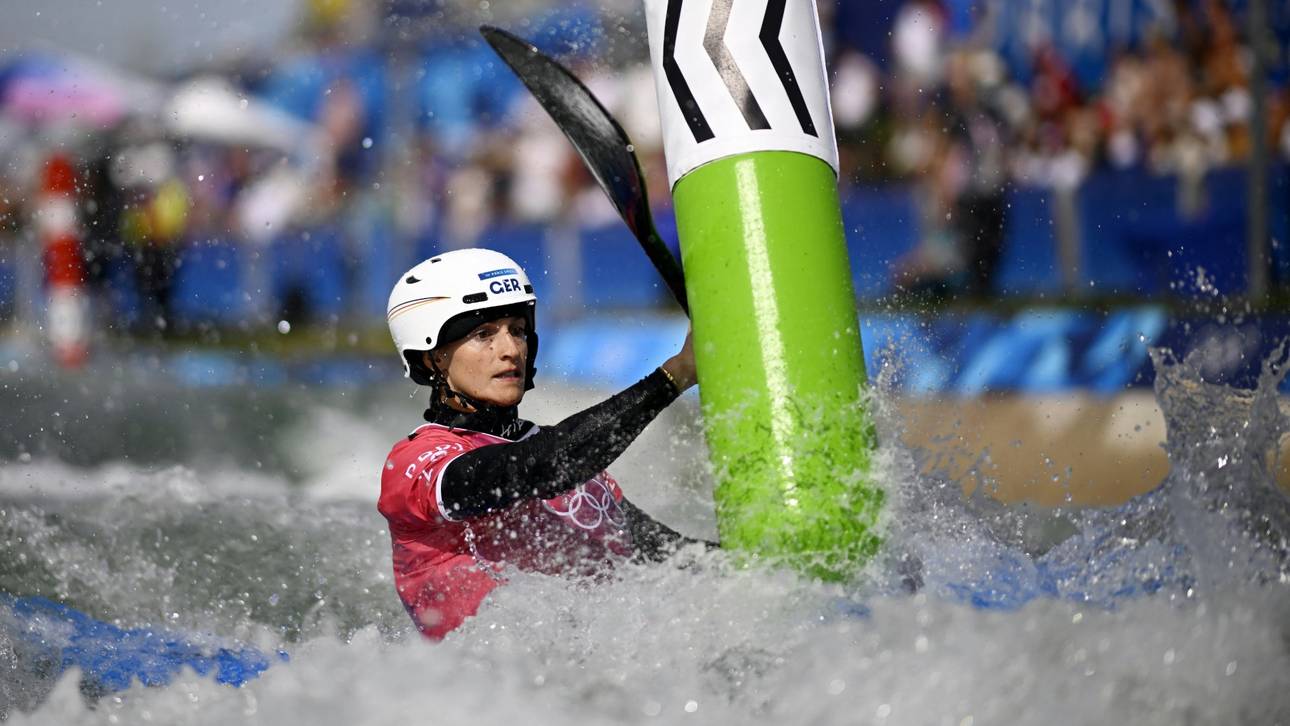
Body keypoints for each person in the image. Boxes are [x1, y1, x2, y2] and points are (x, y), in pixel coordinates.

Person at [378, 248, 710, 640]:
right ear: (432, 358)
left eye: (517, 330)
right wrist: (672, 378)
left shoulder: (570, 459)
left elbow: (675, 560)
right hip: (484, 690)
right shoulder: (415, 463)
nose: (510, 349)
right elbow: (532, 468)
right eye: (483, 334)